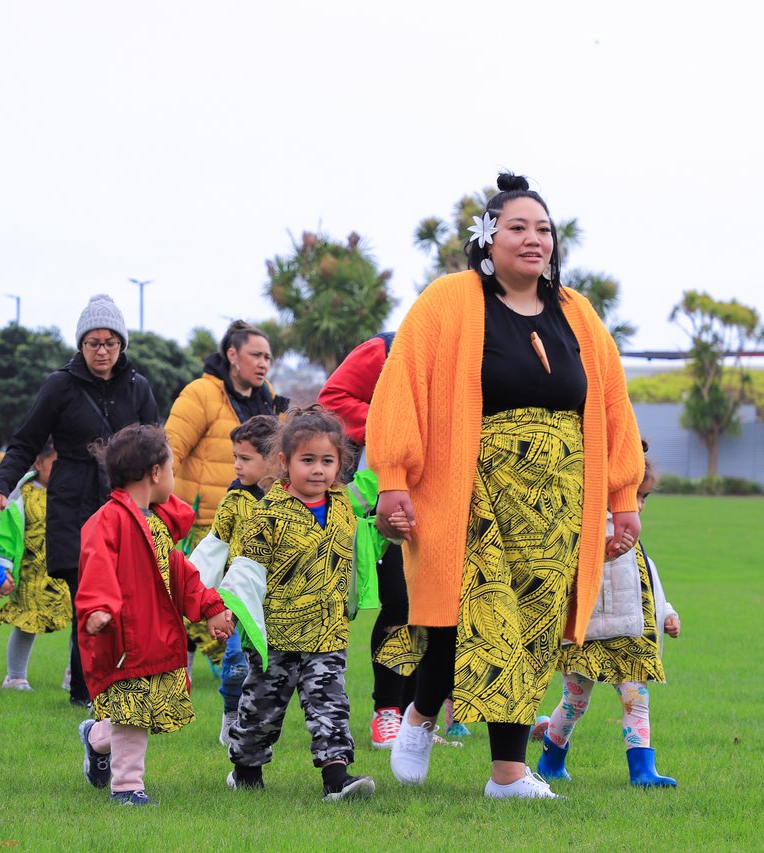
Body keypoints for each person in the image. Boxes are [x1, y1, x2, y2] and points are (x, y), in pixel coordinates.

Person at [366, 172, 644, 800]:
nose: (533, 239)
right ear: (488, 239)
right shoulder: (450, 300)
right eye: (517, 227)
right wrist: (392, 479)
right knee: (479, 621)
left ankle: (465, 745)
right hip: (473, 492)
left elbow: (613, 409)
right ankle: (464, 742)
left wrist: (622, 498)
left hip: (556, 505)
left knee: (531, 630)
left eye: (543, 229)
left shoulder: (577, 314)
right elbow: (401, 384)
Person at [220, 406, 391, 802]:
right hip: (275, 638)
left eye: (327, 461)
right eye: (307, 460)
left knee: (330, 706)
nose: (318, 470)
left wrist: (390, 533)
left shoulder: (344, 509)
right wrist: (228, 608)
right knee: (260, 713)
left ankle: (336, 777)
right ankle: (245, 770)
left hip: (328, 633)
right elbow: (245, 570)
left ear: (340, 465)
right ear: (284, 463)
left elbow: (363, 550)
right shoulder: (267, 516)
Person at [0, 294, 158, 707]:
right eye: (93, 343)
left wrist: (158, 505)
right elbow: (25, 441)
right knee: (88, 596)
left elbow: (156, 448)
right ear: (81, 344)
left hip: (122, 505)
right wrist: (1, 486)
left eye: (110, 342)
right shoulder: (59, 385)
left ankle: (103, 687)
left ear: (121, 345)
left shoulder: (138, 387)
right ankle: (87, 694)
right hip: (70, 505)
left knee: (120, 600)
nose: (102, 351)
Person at [75, 424, 234, 806]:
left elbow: (179, 574)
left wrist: (210, 608)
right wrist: (97, 609)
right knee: (132, 714)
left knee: (139, 711)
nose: (174, 480)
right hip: (125, 638)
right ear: (156, 473)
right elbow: (95, 566)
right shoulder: (108, 520)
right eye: (173, 470)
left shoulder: (159, 523)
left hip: (155, 634)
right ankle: (127, 788)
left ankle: (96, 738)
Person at [535, 443, 681, 787]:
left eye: (644, 497)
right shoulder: (586, 523)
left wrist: (668, 613)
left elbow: (647, 581)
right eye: (635, 495)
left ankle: (642, 771)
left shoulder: (632, 535)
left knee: (635, 700)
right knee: (574, 703)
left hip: (628, 632)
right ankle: (551, 759)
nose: (640, 505)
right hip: (584, 635)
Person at [165, 321, 287, 670]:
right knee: (196, 600)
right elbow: (171, 449)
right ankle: (181, 672)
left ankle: (232, 675)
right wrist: (160, 505)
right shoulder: (201, 394)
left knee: (235, 607)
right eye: (255, 355)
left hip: (257, 524)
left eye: (268, 356)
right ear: (232, 355)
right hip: (204, 520)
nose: (263, 363)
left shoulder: (269, 397)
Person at [318, 333, 417, 750]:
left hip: (435, 492)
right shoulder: (386, 349)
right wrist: (391, 422)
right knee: (398, 600)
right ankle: (386, 714)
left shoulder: (467, 360)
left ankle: (414, 721)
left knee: (423, 610)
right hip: (378, 492)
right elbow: (332, 398)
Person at [188, 415, 280, 745]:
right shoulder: (234, 500)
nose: (237, 466)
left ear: (273, 459)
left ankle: (257, 727)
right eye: (234, 458)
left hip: (280, 603)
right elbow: (214, 546)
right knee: (236, 665)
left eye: (245, 458)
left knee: (269, 672)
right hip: (239, 600)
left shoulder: (289, 499)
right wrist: (191, 584)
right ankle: (231, 709)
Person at [0, 440, 72, 691]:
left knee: (80, 620)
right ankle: (15, 676)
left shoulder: (68, 493)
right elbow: (7, 534)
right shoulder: (21, 495)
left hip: (62, 573)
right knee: (26, 624)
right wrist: (2, 567)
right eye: (55, 463)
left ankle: (76, 673)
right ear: (39, 462)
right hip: (30, 575)